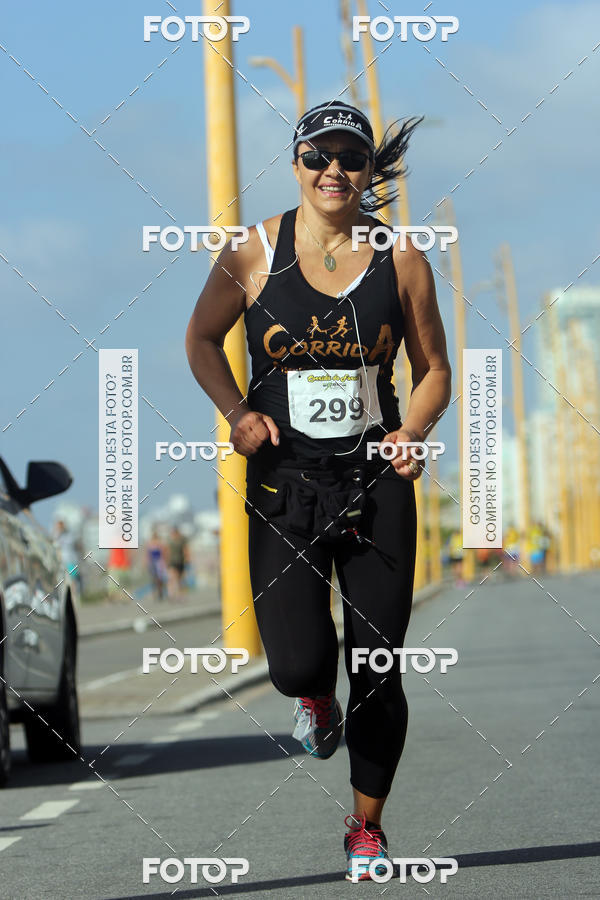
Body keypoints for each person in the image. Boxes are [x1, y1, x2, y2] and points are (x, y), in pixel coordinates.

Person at [185, 101, 452, 881]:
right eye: (317, 156)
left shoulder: (402, 257)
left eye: (351, 157)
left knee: (378, 665)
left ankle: (367, 827)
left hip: (376, 481)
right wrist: (236, 413)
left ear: (368, 169)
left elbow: (434, 369)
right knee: (298, 663)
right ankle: (314, 700)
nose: (334, 170)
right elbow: (201, 339)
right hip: (284, 482)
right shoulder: (252, 250)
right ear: (296, 163)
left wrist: (413, 431)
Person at [166, 525, 189, 602]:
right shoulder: (171, 541)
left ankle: (178, 595)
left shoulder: (181, 540)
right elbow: (167, 551)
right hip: (173, 562)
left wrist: (187, 559)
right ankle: (172, 594)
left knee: (179, 579)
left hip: (180, 561)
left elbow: (185, 550)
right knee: (173, 578)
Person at [146, 527, 168, 602]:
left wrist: (164, 561)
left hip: (159, 562)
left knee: (159, 578)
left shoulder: (160, 543)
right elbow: (148, 554)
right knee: (153, 578)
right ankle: (155, 593)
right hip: (153, 562)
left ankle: (160, 592)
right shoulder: (150, 543)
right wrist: (147, 562)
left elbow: (163, 553)